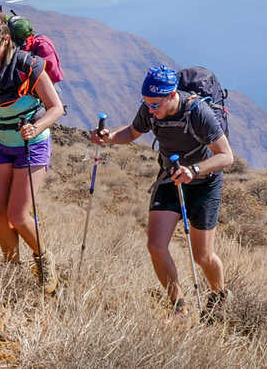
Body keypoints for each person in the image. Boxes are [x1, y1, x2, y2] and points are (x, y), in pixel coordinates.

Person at [91, 65, 233, 320]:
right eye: (147, 103)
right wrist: (109, 137)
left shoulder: (197, 112)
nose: (151, 110)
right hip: (170, 178)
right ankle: (179, 307)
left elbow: (226, 156)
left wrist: (195, 170)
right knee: (156, 246)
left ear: (172, 96)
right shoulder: (150, 109)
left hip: (204, 184)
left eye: (156, 104)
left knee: (202, 256)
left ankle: (219, 294)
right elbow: (133, 132)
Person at [0, 10, 65, 293]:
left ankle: (44, 260)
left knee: (18, 216)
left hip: (33, 144)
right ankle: (11, 270)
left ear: (6, 40)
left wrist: (36, 125)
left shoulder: (30, 66)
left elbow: (57, 108)